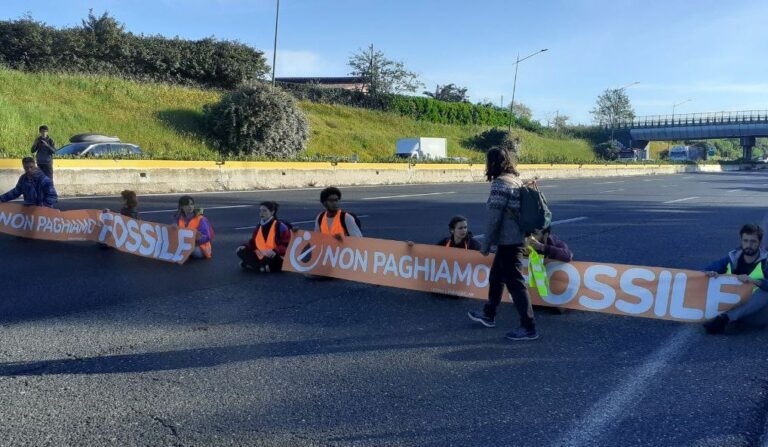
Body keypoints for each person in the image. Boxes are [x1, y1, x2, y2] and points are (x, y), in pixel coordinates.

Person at [467, 146, 539, 341]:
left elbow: (494, 217)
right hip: (517, 238)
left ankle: (528, 327)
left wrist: (485, 243)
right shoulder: (515, 180)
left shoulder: (500, 184)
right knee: (496, 277)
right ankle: (489, 313)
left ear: (492, 163)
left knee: (515, 283)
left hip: (509, 241)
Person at [702, 224, 768, 334]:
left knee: (765, 292)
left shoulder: (766, 261)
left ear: (759, 243)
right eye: (745, 241)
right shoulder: (733, 257)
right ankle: (727, 318)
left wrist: (754, 281)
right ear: (741, 241)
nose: (749, 245)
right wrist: (710, 273)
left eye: (753, 241)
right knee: (713, 277)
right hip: (734, 304)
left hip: (756, 313)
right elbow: (704, 271)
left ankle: (726, 319)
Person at [237, 201, 291, 272]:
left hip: (275, 255)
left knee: (275, 261)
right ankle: (261, 267)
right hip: (261, 255)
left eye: (264, 211)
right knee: (240, 251)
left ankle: (254, 265)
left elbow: (287, 245)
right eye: (260, 210)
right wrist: (245, 246)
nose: (261, 213)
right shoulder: (259, 226)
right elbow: (253, 242)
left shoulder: (280, 226)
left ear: (272, 212)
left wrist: (275, 251)